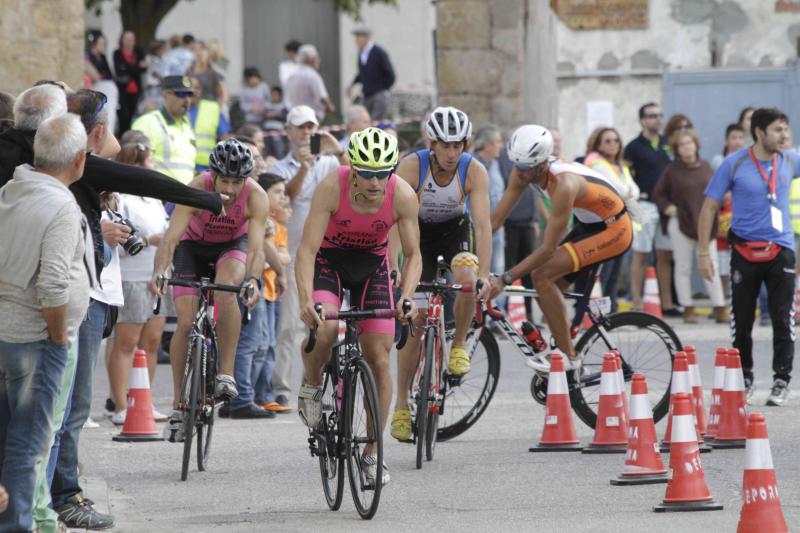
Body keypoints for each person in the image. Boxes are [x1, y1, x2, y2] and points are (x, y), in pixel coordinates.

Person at [296, 127, 422, 485]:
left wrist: (407, 295)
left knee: (379, 358)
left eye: (382, 173)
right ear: (353, 168)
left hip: (373, 265)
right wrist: (306, 299)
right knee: (324, 330)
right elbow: (305, 251)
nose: (374, 182)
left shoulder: (402, 195)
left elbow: (413, 255)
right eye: (366, 173)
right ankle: (311, 383)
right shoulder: (331, 187)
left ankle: (371, 453)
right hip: (329, 262)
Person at [0, 113, 92, 533]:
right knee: (28, 446)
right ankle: (18, 525)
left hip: (11, 335)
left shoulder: (13, 189)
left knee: (10, 441)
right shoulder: (58, 204)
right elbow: (54, 286)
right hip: (36, 341)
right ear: (79, 159)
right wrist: (58, 339)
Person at [151, 139, 269, 441]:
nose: (228, 190)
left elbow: (256, 250)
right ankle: (180, 403)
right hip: (192, 247)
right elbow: (171, 239)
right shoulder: (196, 187)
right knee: (186, 322)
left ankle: (226, 374)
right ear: (212, 174)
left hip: (232, 247)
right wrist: (161, 271)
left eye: (236, 182)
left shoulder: (256, 196)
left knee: (227, 287)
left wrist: (254, 280)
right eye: (224, 180)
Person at [488, 125, 634, 370]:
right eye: (516, 164)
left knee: (541, 276)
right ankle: (562, 342)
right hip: (590, 224)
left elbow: (546, 249)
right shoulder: (523, 170)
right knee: (548, 286)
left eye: (524, 168)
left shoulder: (563, 184)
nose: (518, 173)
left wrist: (505, 278)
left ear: (542, 164)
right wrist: (468, 255)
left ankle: (570, 358)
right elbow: (495, 220)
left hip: (614, 229)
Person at [389, 106, 492, 442]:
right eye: (445, 145)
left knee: (466, 278)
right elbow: (392, 223)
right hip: (416, 232)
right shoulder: (411, 166)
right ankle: (402, 405)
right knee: (415, 322)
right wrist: (393, 269)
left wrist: (485, 276)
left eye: (458, 145)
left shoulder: (473, 171)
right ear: (430, 143)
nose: (451, 153)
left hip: (454, 232)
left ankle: (459, 343)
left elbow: (483, 226)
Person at [697, 107, 797, 407]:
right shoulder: (734, 162)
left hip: (781, 250)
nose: (784, 136)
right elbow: (708, 208)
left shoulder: (790, 159)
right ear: (759, 132)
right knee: (741, 321)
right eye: (778, 130)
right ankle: (745, 378)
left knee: (782, 318)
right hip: (743, 251)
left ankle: (781, 380)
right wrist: (704, 252)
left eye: (785, 130)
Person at [267, 105, 347, 409]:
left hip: (326, 257)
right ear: (288, 130)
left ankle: (314, 387)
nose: (306, 133)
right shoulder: (281, 167)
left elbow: (355, 176)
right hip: (293, 255)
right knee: (290, 326)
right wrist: (302, 168)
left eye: (311, 127)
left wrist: (338, 149)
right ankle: (283, 388)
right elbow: (284, 198)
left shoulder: (329, 163)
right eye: (300, 127)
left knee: (326, 328)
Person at [107, 138, 171, 426]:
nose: (153, 167)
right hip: (132, 277)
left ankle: (143, 398)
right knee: (126, 342)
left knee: (152, 342)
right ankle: (121, 404)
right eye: (148, 162)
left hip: (157, 277)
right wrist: (148, 240)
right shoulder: (122, 199)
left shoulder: (154, 199)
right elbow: (119, 242)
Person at [653, 128, 726, 324]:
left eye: (689, 143)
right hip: (681, 224)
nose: (687, 147)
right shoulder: (671, 170)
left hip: (705, 225)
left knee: (711, 263)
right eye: (682, 144)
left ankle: (719, 307)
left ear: (696, 145)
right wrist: (671, 210)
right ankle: (688, 308)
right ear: (677, 149)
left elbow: (717, 193)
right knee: (683, 266)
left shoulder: (706, 167)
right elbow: (658, 194)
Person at [623, 102, 678, 315]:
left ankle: (666, 304)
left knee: (665, 255)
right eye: (652, 115)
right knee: (641, 253)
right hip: (644, 204)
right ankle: (636, 301)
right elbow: (627, 176)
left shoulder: (668, 143)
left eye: (659, 114)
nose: (657, 119)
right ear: (642, 120)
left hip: (665, 207)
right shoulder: (633, 146)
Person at [583, 127, 640, 312]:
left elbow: (634, 191)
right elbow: (622, 190)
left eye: (616, 140)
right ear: (598, 144)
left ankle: (611, 309)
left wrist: (627, 193)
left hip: (619, 222)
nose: (613, 144)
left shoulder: (619, 165)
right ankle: (593, 310)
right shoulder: (595, 163)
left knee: (614, 271)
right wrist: (627, 193)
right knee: (603, 271)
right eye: (607, 141)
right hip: (602, 224)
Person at [254, 173, 292, 413]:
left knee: (268, 344)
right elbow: (261, 257)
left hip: (272, 292)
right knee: (256, 345)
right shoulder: (262, 223)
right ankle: (250, 394)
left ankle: (264, 394)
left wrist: (274, 259)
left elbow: (285, 257)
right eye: (277, 192)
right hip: (260, 289)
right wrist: (275, 259)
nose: (283, 197)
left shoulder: (279, 228)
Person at [131, 75, 197, 184]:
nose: (187, 100)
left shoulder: (188, 127)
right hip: (159, 197)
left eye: (190, 94)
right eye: (181, 94)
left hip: (185, 197)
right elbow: (136, 166)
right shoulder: (147, 122)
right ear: (166, 95)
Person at [471, 124, 506, 277]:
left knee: (497, 271)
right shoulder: (470, 165)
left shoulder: (496, 165)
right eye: (498, 141)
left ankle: (496, 302)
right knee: (474, 271)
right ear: (487, 145)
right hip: (475, 230)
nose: (501, 145)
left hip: (496, 230)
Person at [347, 26, 395, 121]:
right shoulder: (361, 53)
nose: (356, 40)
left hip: (378, 95)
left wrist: (382, 90)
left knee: (376, 124)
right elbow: (362, 73)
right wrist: (352, 85)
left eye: (358, 37)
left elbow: (391, 75)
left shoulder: (378, 52)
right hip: (367, 95)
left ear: (367, 38)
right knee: (366, 122)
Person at [188, 77, 231, 171]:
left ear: (201, 90)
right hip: (182, 164)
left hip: (205, 167)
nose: (194, 91)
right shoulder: (176, 110)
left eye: (197, 87)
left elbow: (226, 138)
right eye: (190, 87)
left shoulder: (212, 108)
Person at [284, 44, 335, 121]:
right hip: (311, 118)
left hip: (294, 117)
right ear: (311, 59)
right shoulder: (312, 75)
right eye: (317, 57)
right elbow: (322, 97)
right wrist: (330, 107)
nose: (319, 60)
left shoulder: (292, 75)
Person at [113, 30, 147, 134]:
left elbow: (144, 68)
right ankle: (123, 136)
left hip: (135, 89)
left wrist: (128, 68)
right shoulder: (117, 53)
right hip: (123, 89)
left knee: (134, 114)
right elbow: (119, 70)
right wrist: (136, 67)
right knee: (123, 114)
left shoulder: (139, 53)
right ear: (122, 40)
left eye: (131, 39)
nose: (129, 42)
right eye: (127, 39)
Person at [85, 30, 119, 135]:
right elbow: (95, 75)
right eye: (101, 44)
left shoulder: (103, 57)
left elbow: (109, 74)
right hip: (97, 87)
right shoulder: (89, 57)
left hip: (107, 86)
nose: (103, 46)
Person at [188, 42, 227, 109]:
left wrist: (221, 107)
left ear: (207, 53)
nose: (199, 53)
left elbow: (222, 92)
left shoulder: (213, 71)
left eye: (201, 50)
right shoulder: (189, 71)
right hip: (193, 108)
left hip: (209, 107)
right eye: (195, 50)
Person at [142, 39, 168, 112]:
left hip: (161, 88)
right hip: (152, 89)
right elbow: (152, 73)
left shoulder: (164, 60)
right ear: (158, 50)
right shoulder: (149, 59)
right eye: (164, 49)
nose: (165, 51)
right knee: (151, 108)